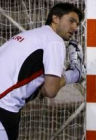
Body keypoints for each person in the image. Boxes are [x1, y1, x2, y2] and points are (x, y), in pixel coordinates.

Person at [0, 2, 84, 140]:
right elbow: (50, 91)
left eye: (77, 24)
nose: (75, 27)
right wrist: (74, 75)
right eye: (71, 21)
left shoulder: (29, 35)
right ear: (55, 18)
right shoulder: (54, 41)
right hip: (4, 107)